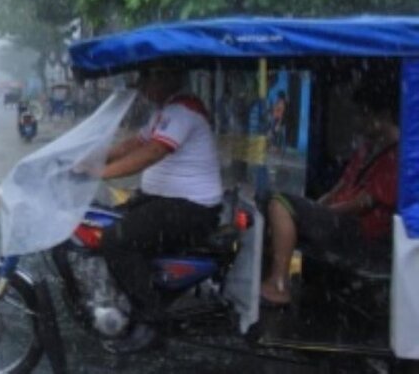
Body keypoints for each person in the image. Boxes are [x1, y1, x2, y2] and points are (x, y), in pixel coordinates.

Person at [74, 67, 223, 353]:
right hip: (164, 200)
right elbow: (134, 144)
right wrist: (87, 158)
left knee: (116, 240)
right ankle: (122, 299)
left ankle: (152, 324)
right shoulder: (164, 112)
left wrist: (101, 172)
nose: (142, 86)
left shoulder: (183, 111)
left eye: (147, 79)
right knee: (104, 218)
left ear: (169, 78)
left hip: (191, 208)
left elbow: (153, 152)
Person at [260, 83, 398, 305]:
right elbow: (341, 186)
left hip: (360, 233)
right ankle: (268, 275)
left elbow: (363, 203)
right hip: (339, 220)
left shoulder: (398, 157)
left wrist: (324, 213)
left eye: (362, 116)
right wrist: (316, 207)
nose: (357, 123)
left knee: (280, 203)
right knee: (266, 199)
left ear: (382, 116)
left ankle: (279, 285)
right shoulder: (367, 148)